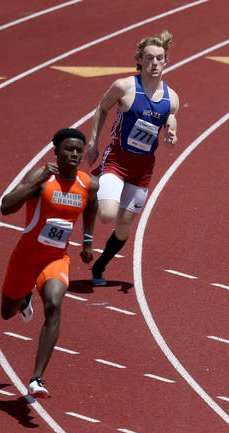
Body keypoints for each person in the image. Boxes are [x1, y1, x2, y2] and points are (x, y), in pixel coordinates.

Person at [0, 128, 98, 398]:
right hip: (26, 257)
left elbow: (91, 206)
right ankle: (22, 299)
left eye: (79, 149)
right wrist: (36, 182)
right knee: (6, 314)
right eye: (69, 149)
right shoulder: (41, 176)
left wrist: (87, 241)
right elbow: (6, 207)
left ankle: (36, 379)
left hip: (56, 258)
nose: (75, 154)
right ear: (56, 151)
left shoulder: (87, 184)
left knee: (54, 305)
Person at [84, 31, 179, 285]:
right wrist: (93, 142)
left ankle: (100, 267)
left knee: (124, 228)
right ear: (140, 59)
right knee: (106, 214)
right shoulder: (124, 86)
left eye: (159, 58)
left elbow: (171, 118)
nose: (154, 63)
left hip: (143, 168)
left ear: (166, 61)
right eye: (149, 58)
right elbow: (102, 108)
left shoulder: (172, 98)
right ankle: (92, 188)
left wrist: (172, 132)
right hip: (117, 160)